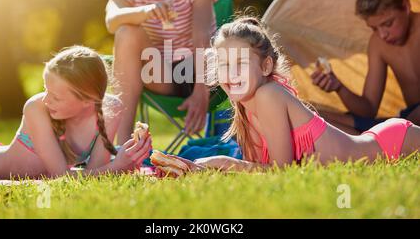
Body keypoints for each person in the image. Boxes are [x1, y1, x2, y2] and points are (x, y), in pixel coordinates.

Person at [171, 17, 420, 172]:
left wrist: (226, 162)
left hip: (393, 144)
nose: (231, 73)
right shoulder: (244, 109)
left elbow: (282, 171)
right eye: (224, 64)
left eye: (241, 63)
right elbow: (261, 170)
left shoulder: (269, 95)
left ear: (266, 66)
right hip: (376, 137)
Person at [105, 0, 225, 145]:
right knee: (126, 33)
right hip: (158, 73)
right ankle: (121, 149)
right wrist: (147, 11)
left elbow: (203, 33)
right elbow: (112, 20)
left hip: (199, 69)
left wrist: (201, 90)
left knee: (213, 48)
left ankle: (118, 149)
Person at [0, 46, 151, 180]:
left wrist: (120, 162)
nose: (46, 99)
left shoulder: (110, 108)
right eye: (45, 89)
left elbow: (94, 173)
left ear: (88, 99)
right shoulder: (36, 108)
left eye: (56, 97)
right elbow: (60, 177)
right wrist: (117, 166)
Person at [311, 0, 420, 135]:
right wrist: (338, 87)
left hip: (409, 122)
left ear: (405, 7)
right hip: (408, 120)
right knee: (316, 115)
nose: (383, 35)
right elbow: (368, 109)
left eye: (388, 24)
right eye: (374, 28)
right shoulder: (378, 43)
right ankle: (385, 135)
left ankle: (383, 136)